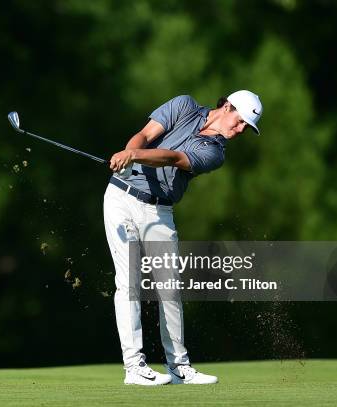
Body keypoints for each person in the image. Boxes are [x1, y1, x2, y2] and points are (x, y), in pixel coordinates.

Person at [103, 90, 263, 385]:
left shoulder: (215, 153)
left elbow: (174, 157)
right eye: (240, 122)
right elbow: (143, 135)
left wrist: (135, 155)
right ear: (227, 106)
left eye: (245, 128)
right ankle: (134, 367)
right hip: (120, 198)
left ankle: (178, 367)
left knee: (170, 288)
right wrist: (130, 152)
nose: (240, 131)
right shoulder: (184, 105)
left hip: (158, 212)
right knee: (129, 282)